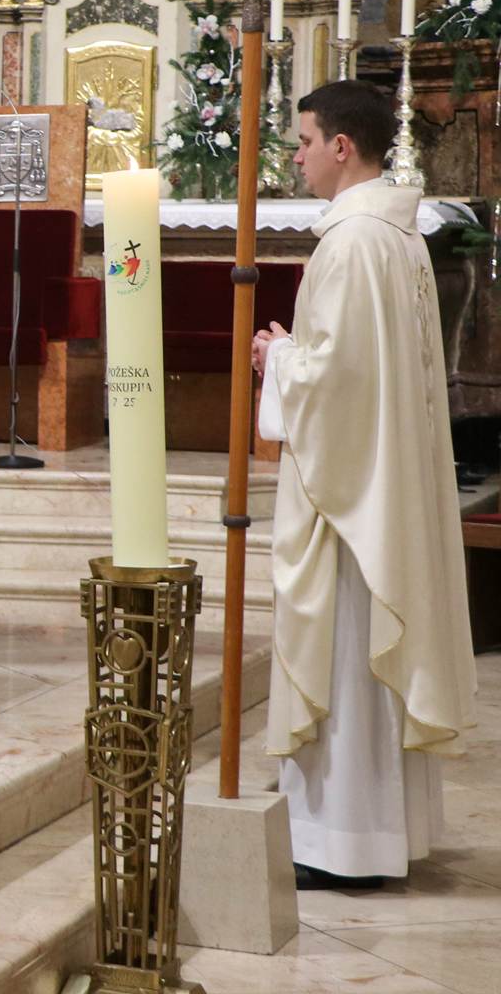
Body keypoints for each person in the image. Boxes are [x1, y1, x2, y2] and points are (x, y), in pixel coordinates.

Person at [252, 80, 477, 889]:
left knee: (346, 651)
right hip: (384, 482)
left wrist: (277, 357)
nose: (298, 157)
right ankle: (384, 832)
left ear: (342, 147)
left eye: (305, 141)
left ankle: (340, 841)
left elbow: (338, 382)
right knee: (365, 653)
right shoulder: (398, 234)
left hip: (353, 501)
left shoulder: (351, 244)